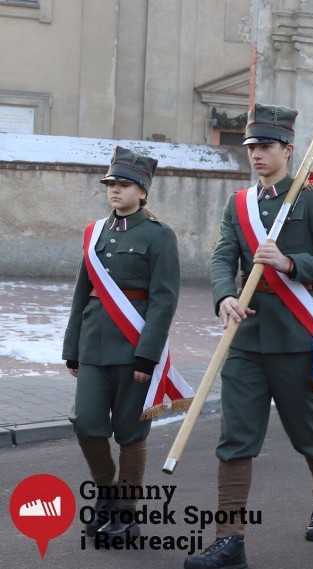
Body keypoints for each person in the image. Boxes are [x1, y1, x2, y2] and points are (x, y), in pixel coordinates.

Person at [184, 103, 313, 569]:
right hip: (246, 337)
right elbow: (222, 258)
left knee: (309, 435)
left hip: (296, 337)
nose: (256, 154)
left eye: (265, 146)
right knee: (235, 438)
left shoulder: (311, 200)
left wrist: (291, 263)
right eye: (251, 146)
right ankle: (229, 542)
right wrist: (223, 297)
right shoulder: (239, 205)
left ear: (287, 150)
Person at [62, 146, 180, 543]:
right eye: (111, 183)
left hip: (134, 349)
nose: (115, 189)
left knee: (131, 433)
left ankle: (126, 514)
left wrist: (148, 352)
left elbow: (164, 299)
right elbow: (83, 292)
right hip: (94, 345)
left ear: (143, 191)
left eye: (124, 184)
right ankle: (109, 494)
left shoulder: (159, 236)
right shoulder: (95, 233)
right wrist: (72, 346)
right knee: (86, 423)